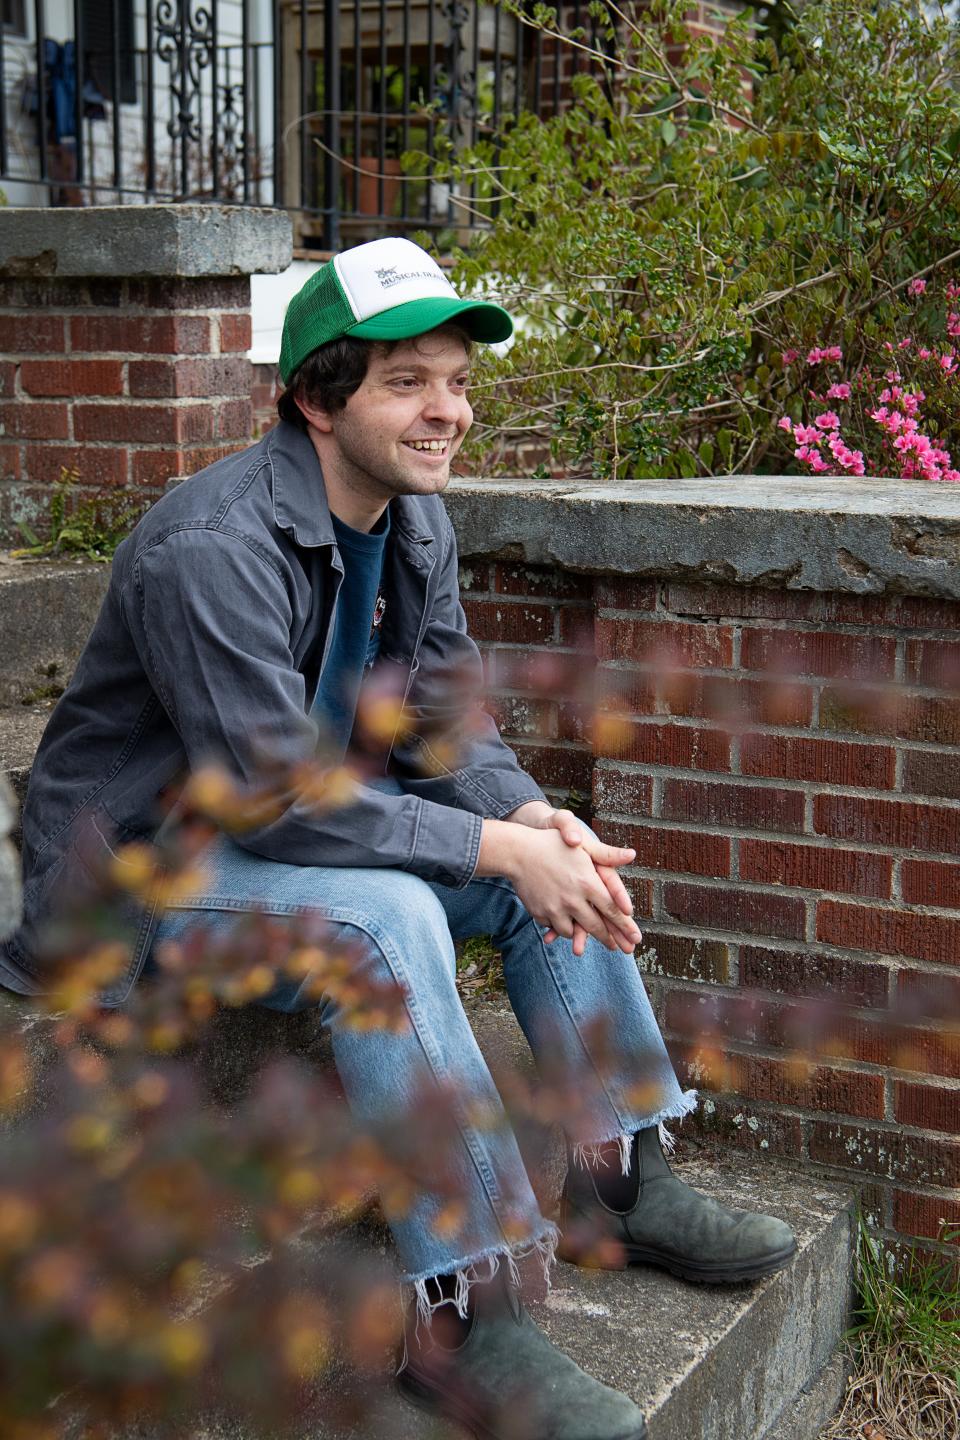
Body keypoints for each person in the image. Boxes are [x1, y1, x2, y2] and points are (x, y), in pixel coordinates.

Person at [1, 238, 796, 1440]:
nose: (449, 412)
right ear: (320, 398)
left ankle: (617, 1176)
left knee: (548, 866)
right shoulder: (210, 549)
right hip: (137, 877)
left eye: (462, 382)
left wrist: (529, 820)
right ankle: (462, 1321)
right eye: (411, 382)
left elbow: (446, 729)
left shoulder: (414, 527)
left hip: (282, 843)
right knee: (395, 914)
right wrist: (487, 852)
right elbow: (276, 793)